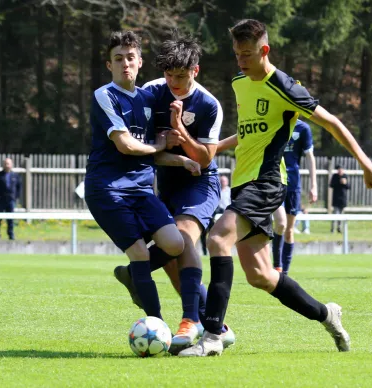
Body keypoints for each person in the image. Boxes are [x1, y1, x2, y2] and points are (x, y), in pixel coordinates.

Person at [179, 19, 372, 357]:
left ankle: (212, 336)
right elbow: (249, 132)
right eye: (236, 54)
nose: (241, 61)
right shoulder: (240, 82)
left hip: (268, 182)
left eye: (247, 54)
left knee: (216, 238)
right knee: (259, 275)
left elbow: (331, 122)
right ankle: (326, 314)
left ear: (264, 50)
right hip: (245, 183)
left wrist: (366, 164)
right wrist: (215, 150)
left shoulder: (284, 86)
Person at [113, 35, 234, 353]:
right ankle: (218, 326)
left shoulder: (209, 105)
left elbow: (205, 159)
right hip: (164, 183)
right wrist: (174, 155)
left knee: (182, 237)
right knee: (171, 254)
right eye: (170, 75)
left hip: (200, 184)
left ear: (196, 70)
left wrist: (180, 131)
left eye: (181, 75)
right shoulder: (150, 94)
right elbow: (145, 152)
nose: (175, 82)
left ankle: (189, 320)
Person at [84, 31, 200, 320]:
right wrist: (159, 144)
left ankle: (132, 276)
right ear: (109, 65)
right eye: (118, 58)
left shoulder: (149, 98)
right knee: (140, 253)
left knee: (175, 243)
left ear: (139, 62)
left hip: (141, 190)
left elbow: (152, 150)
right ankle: (157, 326)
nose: (125, 63)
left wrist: (181, 160)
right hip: (108, 190)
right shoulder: (104, 95)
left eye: (130, 58)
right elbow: (125, 144)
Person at [272, 119, 317, 274]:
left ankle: (285, 274)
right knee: (281, 223)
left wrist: (313, 185)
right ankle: (276, 267)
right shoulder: (273, 122)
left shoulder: (303, 128)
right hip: (274, 182)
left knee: (289, 230)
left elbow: (310, 157)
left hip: (293, 185)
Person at [0, 157, 22, 240]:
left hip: (11, 200)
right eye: (5, 163)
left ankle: (10, 234)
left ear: (11, 165)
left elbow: (19, 187)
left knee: (10, 218)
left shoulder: (15, 176)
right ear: (3, 164)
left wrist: (15, 197)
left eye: (8, 163)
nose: (7, 165)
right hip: (1, 200)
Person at [202, 175, 231, 255]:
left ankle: (224, 250)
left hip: (226, 213)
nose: (223, 182)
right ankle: (205, 252)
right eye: (221, 181)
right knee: (208, 233)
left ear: (227, 182)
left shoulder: (230, 191)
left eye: (224, 181)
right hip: (214, 214)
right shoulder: (216, 191)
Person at [329, 165, 350, 233]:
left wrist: (345, 183)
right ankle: (332, 228)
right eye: (339, 169)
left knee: (341, 214)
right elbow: (331, 185)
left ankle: (339, 228)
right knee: (335, 214)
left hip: (343, 199)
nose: (340, 171)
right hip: (336, 198)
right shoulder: (335, 176)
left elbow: (348, 187)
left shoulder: (345, 176)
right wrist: (339, 182)